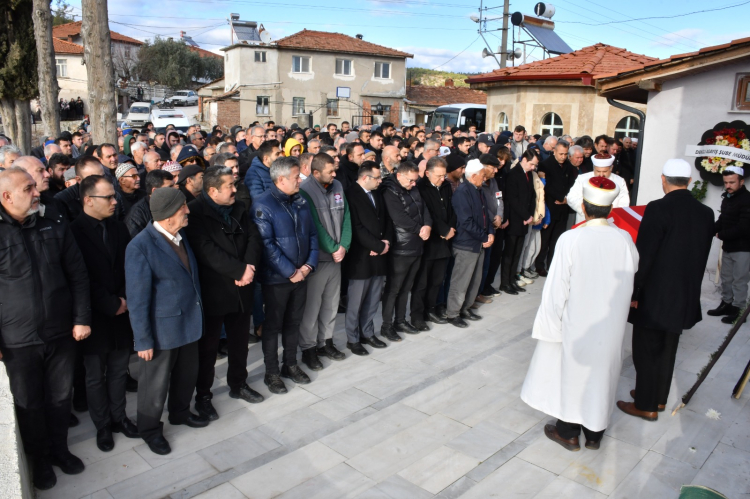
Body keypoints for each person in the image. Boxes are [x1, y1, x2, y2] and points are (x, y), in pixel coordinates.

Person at [522, 176, 638, 451]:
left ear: (583, 208)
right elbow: (633, 270)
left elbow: (556, 287)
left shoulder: (571, 238)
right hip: (610, 323)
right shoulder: (623, 239)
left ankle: (568, 432)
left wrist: (550, 325)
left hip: (578, 321)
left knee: (573, 374)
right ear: (610, 209)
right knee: (603, 374)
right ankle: (595, 434)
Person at [0, 168, 91, 490]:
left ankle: (60, 450)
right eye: (28, 188)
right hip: (17, 341)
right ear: (6, 197)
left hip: (61, 333)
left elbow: (78, 275)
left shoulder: (53, 223)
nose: (37, 192)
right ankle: (39, 459)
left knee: (60, 398)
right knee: (29, 403)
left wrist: (81, 318)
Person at [618, 159, 714, 421]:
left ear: (663, 179)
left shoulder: (658, 208)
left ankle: (646, 405)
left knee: (646, 348)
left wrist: (634, 293)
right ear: (689, 182)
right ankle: (657, 398)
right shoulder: (706, 214)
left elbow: (644, 255)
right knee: (668, 348)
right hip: (683, 293)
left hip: (655, 293)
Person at [126, 188, 209, 456]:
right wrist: (143, 340)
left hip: (189, 324)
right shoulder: (140, 246)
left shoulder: (180, 235)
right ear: (169, 215)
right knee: (154, 386)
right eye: (183, 207)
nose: (188, 210)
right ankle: (150, 430)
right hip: (162, 332)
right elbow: (138, 300)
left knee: (187, 376)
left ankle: (180, 413)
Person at [184, 167, 264, 421]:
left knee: (240, 342)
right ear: (212, 190)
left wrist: (249, 268)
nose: (234, 189)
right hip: (215, 291)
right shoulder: (195, 212)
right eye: (229, 185)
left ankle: (238, 384)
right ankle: (204, 395)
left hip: (244, 287)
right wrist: (239, 270)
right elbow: (206, 251)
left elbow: (253, 237)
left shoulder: (239, 206)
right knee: (207, 349)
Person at [69, 175, 139, 453]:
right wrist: (110, 303)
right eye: (108, 197)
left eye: (114, 197)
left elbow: (126, 266)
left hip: (121, 310)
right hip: (94, 315)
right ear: (88, 200)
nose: (114, 201)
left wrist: (124, 299)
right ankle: (102, 425)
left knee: (120, 370)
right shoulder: (73, 232)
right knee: (95, 375)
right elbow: (79, 276)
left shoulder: (119, 228)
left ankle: (119, 416)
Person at [252, 157, 318, 394]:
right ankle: (271, 372)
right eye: (295, 177)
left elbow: (312, 235)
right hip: (277, 278)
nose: (300, 179)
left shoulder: (300, 201)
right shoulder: (263, 205)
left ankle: (290, 364)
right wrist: (290, 271)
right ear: (280, 180)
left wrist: (308, 266)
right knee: (273, 326)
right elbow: (267, 245)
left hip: (301, 274)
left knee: (294, 323)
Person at [298, 153, 351, 370]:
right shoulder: (305, 190)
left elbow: (346, 216)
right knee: (312, 307)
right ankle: (309, 348)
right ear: (316, 172)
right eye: (330, 171)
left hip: (337, 257)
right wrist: (332, 248)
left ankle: (325, 342)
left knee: (331, 303)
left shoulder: (337, 185)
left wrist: (344, 246)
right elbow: (314, 226)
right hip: (318, 259)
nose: (335, 174)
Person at [344, 162, 391, 354]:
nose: (380, 181)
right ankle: (353, 338)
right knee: (356, 301)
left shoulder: (377, 193)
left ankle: (368, 332)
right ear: (365, 178)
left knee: (373, 298)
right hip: (361, 257)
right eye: (377, 178)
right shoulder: (351, 194)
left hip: (379, 254)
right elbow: (355, 227)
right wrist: (377, 246)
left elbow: (386, 219)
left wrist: (385, 242)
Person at [380, 161, 432, 338]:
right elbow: (399, 217)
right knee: (394, 289)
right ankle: (387, 325)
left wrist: (427, 226)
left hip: (416, 244)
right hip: (401, 247)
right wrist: (420, 229)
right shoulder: (390, 190)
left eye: (415, 180)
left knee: (406, 287)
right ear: (400, 175)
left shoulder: (413, 187)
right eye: (410, 180)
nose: (414, 184)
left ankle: (400, 321)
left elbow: (424, 208)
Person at [445, 159, 494, 328]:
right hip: (466, 244)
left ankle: (465, 308)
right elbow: (466, 221)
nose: (485, 178)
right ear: (473, 176)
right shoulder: (462, 192)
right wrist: (484, 237)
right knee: (461, 281)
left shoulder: (478, 189)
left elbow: (486, 214)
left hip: (478, 242)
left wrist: (490, 233)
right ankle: (453, 313)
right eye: (482, 175)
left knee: (474, 279)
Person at [412, 156, 456, 329]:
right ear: (427, 173)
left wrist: (451, 227)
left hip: (445, 241)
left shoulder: (445, 185)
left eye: (444, 175)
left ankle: (431, 309)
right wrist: (444, 230)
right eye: (438, 175)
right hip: (429, 242)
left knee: (437, 280)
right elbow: (428, 213)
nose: (442, 179)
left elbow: (451, 209)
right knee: (422, 282)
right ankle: (417, 315)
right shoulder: (420, 188)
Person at [708, 167, 750, 323]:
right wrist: (710, 229)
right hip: (728, 246)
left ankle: (739, 311)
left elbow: (744, 227)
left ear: (741, 181)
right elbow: (723, 220)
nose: (728, 185)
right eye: (726, 182)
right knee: (726, 278)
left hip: (744, 248)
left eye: (732, 182)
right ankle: (726, 304)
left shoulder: (747, 199)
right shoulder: (728, 198)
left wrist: (721, 234)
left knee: (739, 280)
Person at [534, 140, 577, 276]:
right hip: (550, 207)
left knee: (557, 239)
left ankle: (552, 264)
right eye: (561, 154)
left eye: (565, 154)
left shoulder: (569, 167)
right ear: (554, 151)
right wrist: (559, 197)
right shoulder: (545, 165)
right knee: (545, 239)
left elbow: (572, 184)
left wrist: (566, 199)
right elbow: (545, 185)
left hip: (563, 207)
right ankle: (539, 265)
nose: (563, 157)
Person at [501, 149, 539, 295]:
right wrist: (525, 216)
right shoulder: (514, 174)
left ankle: (512, 280)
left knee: (518, 252)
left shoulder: (528, 174)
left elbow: (532, 196)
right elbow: (513, 199)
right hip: (515, 219)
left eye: (535, 165)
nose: (533, 168)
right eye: (531, 164)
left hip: (524, 219)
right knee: (510, 252)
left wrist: (530, 215)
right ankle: (505, 282)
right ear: (524, 160)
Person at [566, 152, 630, 224]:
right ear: (594, 168)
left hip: (610, 222)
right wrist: (588, 212)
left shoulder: (620, 181)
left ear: (611, 168)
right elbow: (571, 198)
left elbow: (624, 203)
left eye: (605, 171)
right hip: (585, 220)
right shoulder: (582, 178)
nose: (601, 175)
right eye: (598, 171)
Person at [125, 170, 175, 238]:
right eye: (170, 187)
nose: (175, 190)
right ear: (155, 191)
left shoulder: (173, 204)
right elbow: (140, 244)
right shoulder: (136, 215)